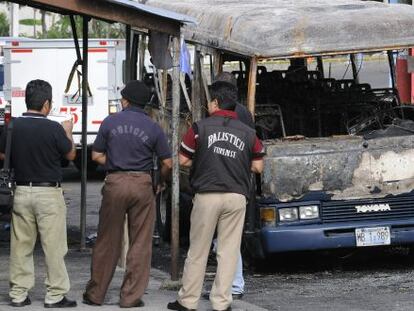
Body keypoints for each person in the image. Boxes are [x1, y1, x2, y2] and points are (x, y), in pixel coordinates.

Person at [168, 81, 264, 311]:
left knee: (198, 250)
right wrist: (236, 163)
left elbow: (182, 160)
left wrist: (204, 161)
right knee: (229, 251)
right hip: (236, 196)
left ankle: (188, 301)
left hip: (207, 195)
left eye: (210, 100)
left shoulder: (200, 128)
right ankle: (222, 303)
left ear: (216, 103)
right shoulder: (249, 133)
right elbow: (258, 167)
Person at [83, 80, 172, 308]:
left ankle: (95, 295)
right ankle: (130, 297)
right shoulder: (153, 127)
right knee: (140, 242)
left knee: (107, 240)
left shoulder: (110, 122)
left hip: (115, 182)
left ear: (125, 101)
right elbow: (168, 163)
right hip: (143, 184)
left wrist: (115, 165)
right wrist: (158, 181)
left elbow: (96, 156)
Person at [0, 79, 77, 308]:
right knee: (53, 246)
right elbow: (71, 155)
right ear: (46, 104)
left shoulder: (12, 126)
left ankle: (19, 294)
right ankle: (54, 295)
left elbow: (3, 155)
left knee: (21, 245)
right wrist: (69, 132)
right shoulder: (53, 128)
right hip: (48, 194)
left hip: (21, 191)